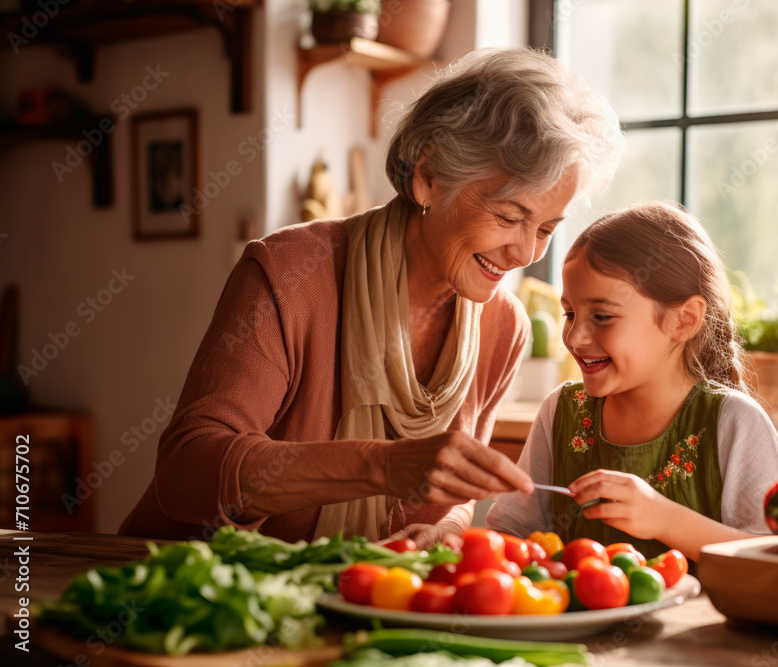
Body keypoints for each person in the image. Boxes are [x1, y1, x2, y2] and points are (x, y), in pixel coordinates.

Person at [119, 47, 624, 547]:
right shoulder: (290, 273)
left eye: (546, 228)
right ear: (429, 177)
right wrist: (381, 467)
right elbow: (186, 471)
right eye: (509, 217)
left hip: (349, 609)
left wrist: (445, 529)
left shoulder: (503, 327)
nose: (524, 252)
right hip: (188, 590)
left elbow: (454, 494)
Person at [487, 201, 778, 561]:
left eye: (601, 316)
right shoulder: (560, 412)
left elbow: (777, 558)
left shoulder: (735, 421)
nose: (576, 337)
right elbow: (510, 534)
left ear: (683, 320)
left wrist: (666, 520)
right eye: (570, 313)